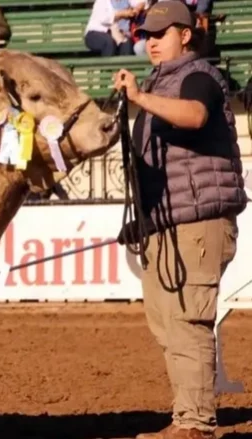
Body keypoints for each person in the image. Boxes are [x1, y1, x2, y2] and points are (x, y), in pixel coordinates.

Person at [113, 2, 247, 438]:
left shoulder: (198, 77)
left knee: (188, 320)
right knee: (168, 323)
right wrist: (142, 218)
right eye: (145, 34)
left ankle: (195, 424)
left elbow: (195, 115)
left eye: (160, 33)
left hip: (199, 224)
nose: (149, 41)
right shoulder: (160, 85)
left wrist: (138, 98)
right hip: (167, 224)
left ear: (186, 35)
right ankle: (186, 416)